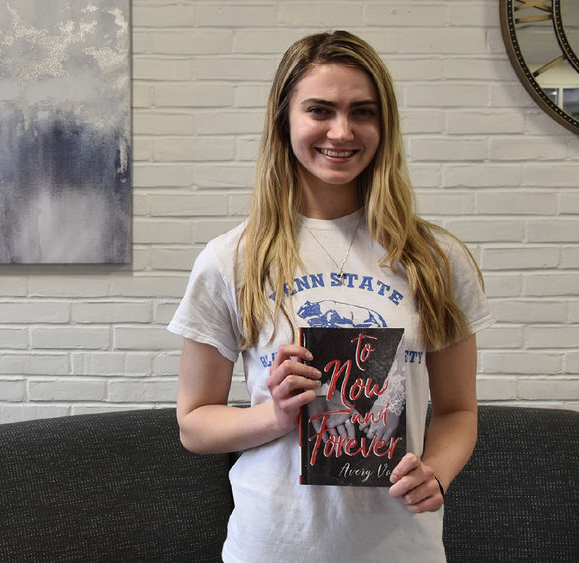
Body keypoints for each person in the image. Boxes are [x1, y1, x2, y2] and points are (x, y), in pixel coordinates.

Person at [168, 30, 495, 562]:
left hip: (401, 549)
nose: (341, 131)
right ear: (285, 120)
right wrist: (274, 416)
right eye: (320, 109)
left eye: (362, 112)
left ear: (383, 125)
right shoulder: (232, 259)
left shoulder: (435, 259)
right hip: (272, 546)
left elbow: (458, 411)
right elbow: (194, 423)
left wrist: (436, 471)